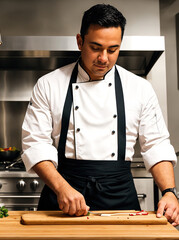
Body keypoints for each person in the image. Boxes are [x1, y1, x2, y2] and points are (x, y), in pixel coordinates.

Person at [21, 4, 179, 226]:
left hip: (119, 195)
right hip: (65, 194)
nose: (104, 58)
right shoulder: (49, 85)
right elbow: (35, 144)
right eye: (96, 47)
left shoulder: (139, 88)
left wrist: (170, 192)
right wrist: (62, 187)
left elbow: (156, 145)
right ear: (79, 41)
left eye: (112, 49)